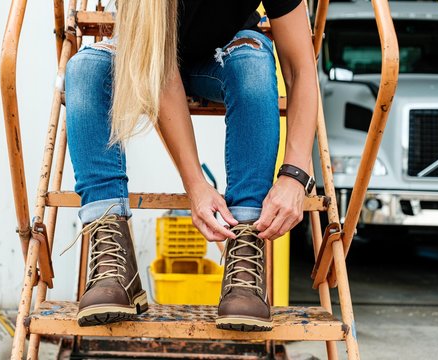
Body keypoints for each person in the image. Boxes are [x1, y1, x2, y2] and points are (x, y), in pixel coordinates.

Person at [64, 0, 318, 332]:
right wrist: (196, 185)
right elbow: (160, 68)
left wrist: (294, 176)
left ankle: (245, 247)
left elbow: (301, 67)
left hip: (224, 54)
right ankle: (115, 261)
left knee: (253, 61)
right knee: (84, 68)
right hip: (146, 51)